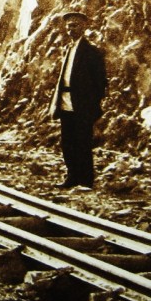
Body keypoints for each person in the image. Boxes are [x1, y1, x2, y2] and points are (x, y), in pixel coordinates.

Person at [49, 11, 107, 190]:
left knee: (83, 142)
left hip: (82, 104)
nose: (70, 29)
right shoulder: (68, 49)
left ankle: (86, 180)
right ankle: (72, 177)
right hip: (66, 101)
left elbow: (100, 82)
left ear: (84, 27)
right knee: (68, 142)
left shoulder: (92, 52)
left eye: (74, 25)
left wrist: (92, 104)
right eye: (68, 26)